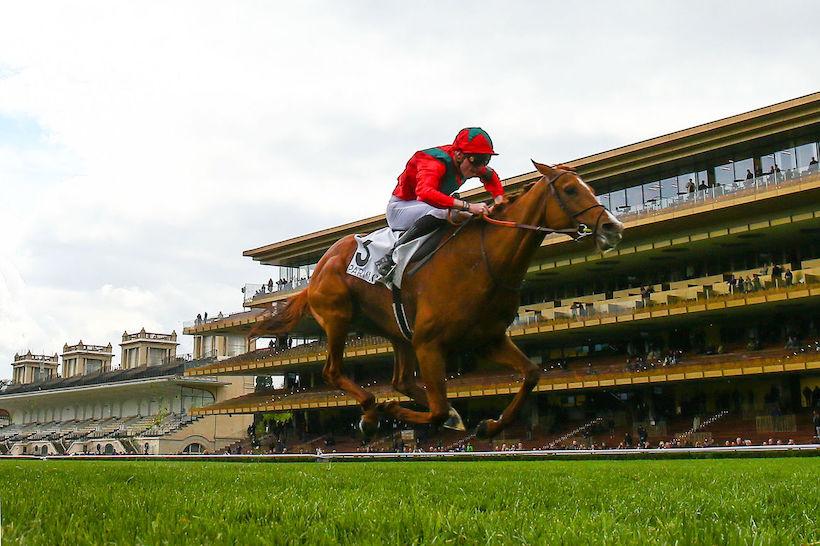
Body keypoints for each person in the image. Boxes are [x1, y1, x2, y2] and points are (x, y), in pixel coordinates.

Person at [375, 128, 506, 277]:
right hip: (400, 209)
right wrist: (469, 206)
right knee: (446, 212)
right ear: (458, 154)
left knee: (462, 215)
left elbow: (491, 176)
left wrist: (499, 201)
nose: (478, 169)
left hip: (427, 207)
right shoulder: (433, 162)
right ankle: (390, 256)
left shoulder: (468, 161)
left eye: (484, 161)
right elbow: (425, 192)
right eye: (476, 161)